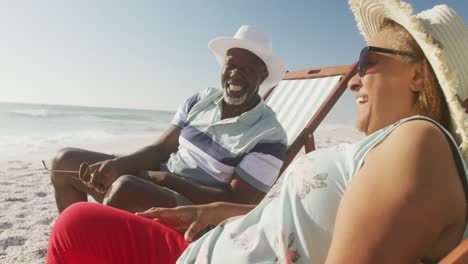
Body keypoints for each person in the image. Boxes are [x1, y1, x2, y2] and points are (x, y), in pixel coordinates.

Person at [46, 0, 468, 263]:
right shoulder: (388, 150)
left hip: (214, 251)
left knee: (78, 225)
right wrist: (217, 214)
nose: (354, 79)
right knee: (73, 187)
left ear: (418, 76)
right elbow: (311, 222)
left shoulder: (420, 142)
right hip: (211, 237)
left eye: (367, 59)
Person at [49, 25, 288, 213]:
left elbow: (236, 203)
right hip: (153, 182)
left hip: (194, 208)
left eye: (246, 69)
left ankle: (91, 243)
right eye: (231, 65)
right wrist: (121, 165)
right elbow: (161, 148)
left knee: (125, 188)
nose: (235, 74)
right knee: (65, 161)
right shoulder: (201, 100)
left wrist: (164, 179)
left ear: (263, 74)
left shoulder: (269, 136)